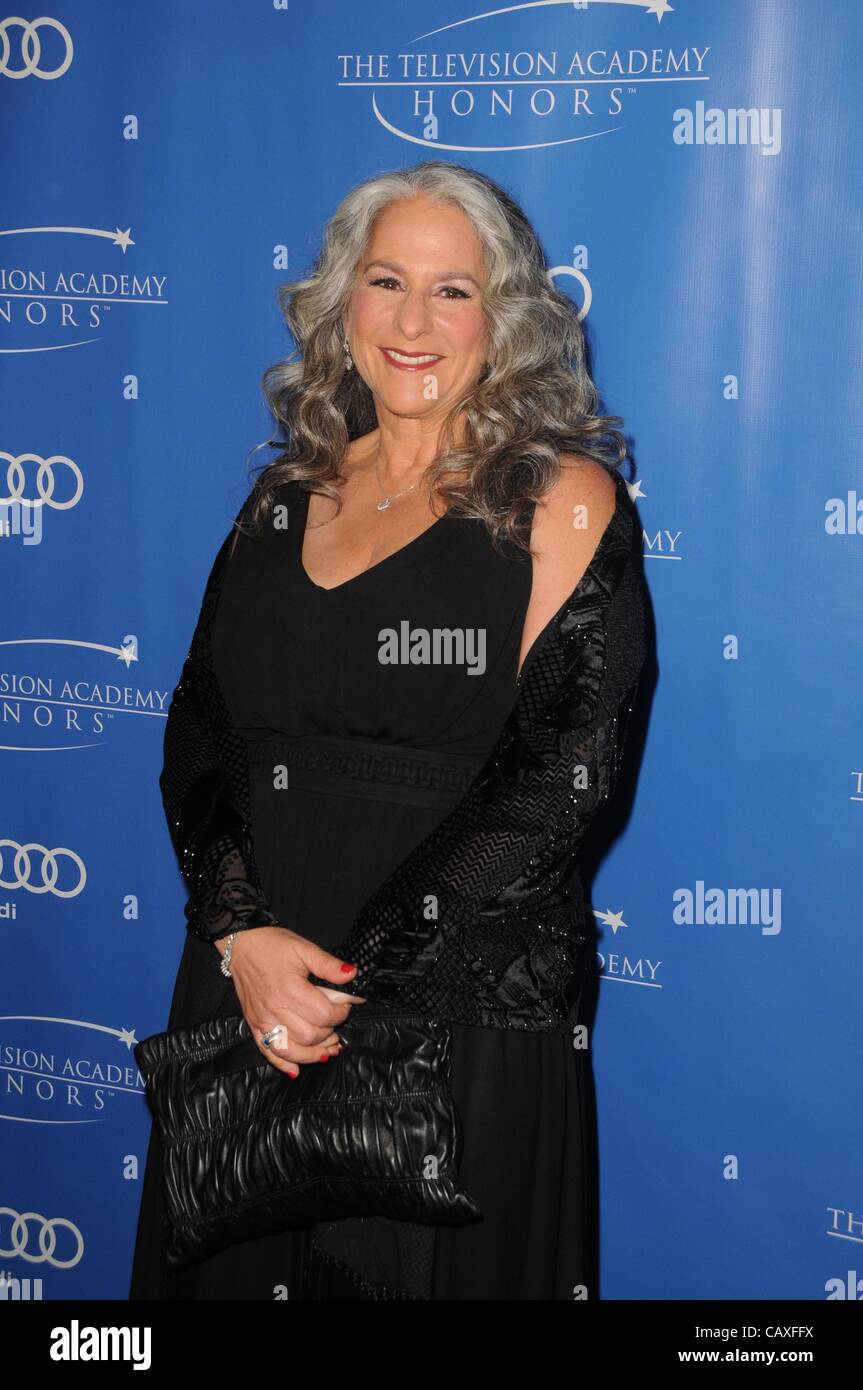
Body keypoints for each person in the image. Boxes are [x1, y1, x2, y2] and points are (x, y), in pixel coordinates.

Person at [129, 159, 647, 1300]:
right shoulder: (277, 498)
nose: (412, 322)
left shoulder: (561, 498)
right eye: (385, 282)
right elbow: (197, 734)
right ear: (340, 305)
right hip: (254, 991)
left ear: (501, 319)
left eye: (451, 291)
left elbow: (559, 777)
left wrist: (354, 980)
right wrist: (242, 935)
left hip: (451, 1004)